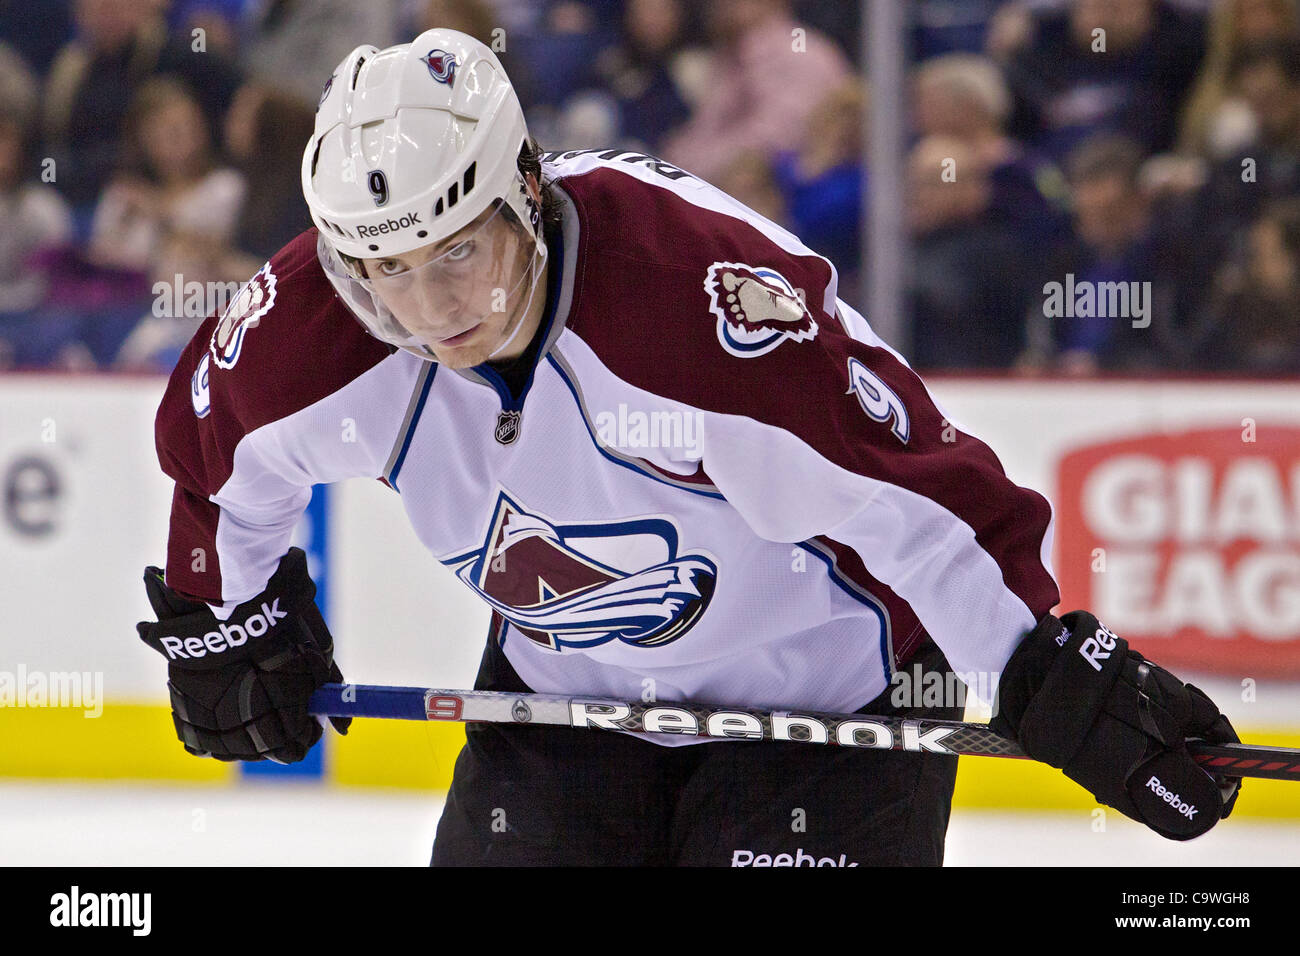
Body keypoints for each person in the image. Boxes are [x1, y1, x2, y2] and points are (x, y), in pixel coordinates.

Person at [135, 29, 1244, 866]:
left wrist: (1043, 669)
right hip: (562, 707)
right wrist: (228, 616)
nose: (426, 310)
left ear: (523, 192)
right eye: (383, 271)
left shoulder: (696, 313)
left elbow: (912, 503)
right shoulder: (317, 325)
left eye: (457, 254)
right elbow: (213, 454)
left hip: (833, 705)